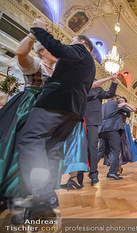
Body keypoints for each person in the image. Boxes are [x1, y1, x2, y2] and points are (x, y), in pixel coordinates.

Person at [15, 17, 96, 218]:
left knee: (30, 140)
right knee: (49, 149)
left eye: (73, 40)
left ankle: (43, 195)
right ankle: (43, 199)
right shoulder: (86, 65)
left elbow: (60, 48)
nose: (70, 43)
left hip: (55, 104)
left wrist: (38, 30)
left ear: (82, 43)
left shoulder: (79, 50)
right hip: (72, 112)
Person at [0, 40, 57, 202]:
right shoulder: (35, 64)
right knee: (16, 144)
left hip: (46, 110)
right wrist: (33, 34)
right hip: (28, 106)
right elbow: (20, 53)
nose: (55, 53)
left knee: (35, 149)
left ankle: (19, 189)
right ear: (41, 52)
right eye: (50, 49)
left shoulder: (55, 71)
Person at [83, 74, 118, 185]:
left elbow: (110, 94)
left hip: (92, 120)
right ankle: (76, 175)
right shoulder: (81, 87)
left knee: (92, 147)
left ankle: (93, 174)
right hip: (78, 119)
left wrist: (113, 80)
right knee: (79, 146)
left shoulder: (98, 89)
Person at [98, 97, 131, 180]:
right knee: (115, 151)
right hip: (112, 129)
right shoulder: (116, 104)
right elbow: (128, 111)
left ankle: (91, 168)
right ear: (115, 98)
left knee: (101, 150)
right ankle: (112, 172)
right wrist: (125, 105)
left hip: (102, 129)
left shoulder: (102, 105)